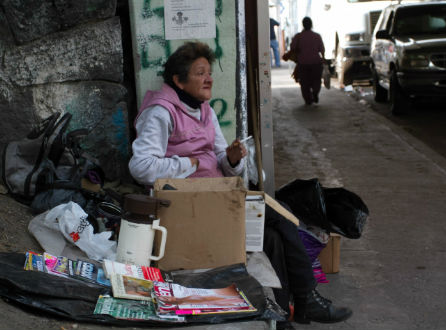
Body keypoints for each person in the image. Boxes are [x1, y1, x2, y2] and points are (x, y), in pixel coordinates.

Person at [128, 41, 352, 327]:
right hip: (190, 207)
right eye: (200, 73)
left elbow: (220, 158)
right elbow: (141, 167)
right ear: (178, 80)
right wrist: (189, 164)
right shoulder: (160, 112)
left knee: (272, 238)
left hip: (218, 198)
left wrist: (231, 159)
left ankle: (283, 318)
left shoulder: (203, 109)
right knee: (282, 214)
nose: (208, 79)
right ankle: (308, 299)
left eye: (209, 72)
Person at [290, 17, 325, 105]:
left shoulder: (298, 36)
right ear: (311, 24)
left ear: (303, 25)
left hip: (303, 63)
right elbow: (322, 49)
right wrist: (323, 59)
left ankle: (308, 100)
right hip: (316, 63)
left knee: (304, 83)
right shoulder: (317, 36)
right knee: (316, 80)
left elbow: (292, 48)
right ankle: (315, 93)